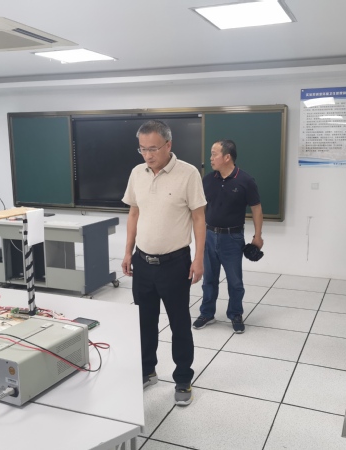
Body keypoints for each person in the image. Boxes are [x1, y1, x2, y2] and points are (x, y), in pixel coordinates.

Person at [121, 120, 206, 406]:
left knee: (179, 324)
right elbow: (134, 214)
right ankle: (147, 371)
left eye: (153, 149)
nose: (148, 155)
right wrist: (128, 252)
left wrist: (198, 259)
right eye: (142, 149)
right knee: (144, 322)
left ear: (168, 145)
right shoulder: (137, 173)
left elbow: (199, 219)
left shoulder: (188, 174)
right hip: (143, 262)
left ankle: (183, 378)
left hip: (175, 263)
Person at [192, 139, 263, 334]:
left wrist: (258, 236)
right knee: (209, 279)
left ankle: (235, 314)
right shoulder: (207, 180)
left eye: (214, 154)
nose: (210, 158)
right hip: (209, 235)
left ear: (227, 157)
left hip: (232, 238)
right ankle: (207, 313)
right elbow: (200, 210)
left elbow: (256, 209)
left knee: (235, 281)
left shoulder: (245, 180)